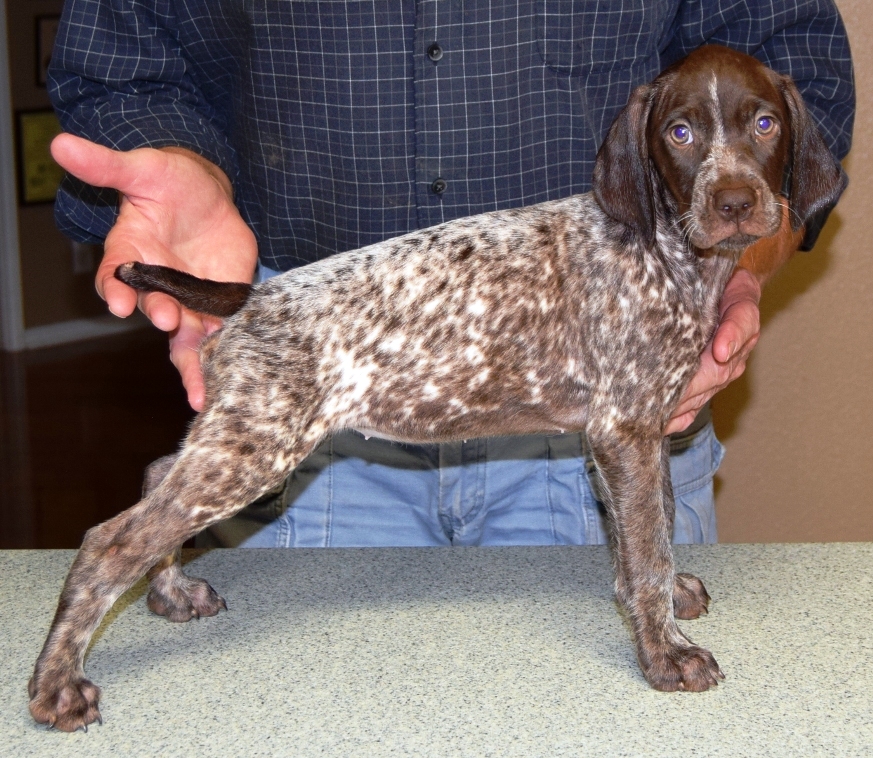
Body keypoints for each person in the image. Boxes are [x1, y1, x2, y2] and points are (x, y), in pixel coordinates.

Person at [47, 1, 854, 548]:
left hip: (601, 401)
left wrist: (730, 266)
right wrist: (183, 159)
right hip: (319, 385)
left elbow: (789, 69)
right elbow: (123, 63)